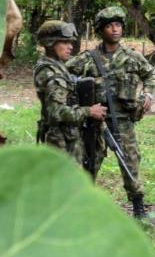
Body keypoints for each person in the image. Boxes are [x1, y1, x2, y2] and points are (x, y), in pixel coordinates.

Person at [66, 6, 155, 218]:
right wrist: (80, 101)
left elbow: (150, 76)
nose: (114, 29)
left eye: (118, 25)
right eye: (109, 26)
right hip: (95, 121)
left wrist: (149, 95)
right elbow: (65, 74)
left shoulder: (132, 57)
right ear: (101, 30)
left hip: (123, 121)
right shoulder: (88, 58)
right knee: (88, 162)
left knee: (130, 162)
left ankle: (138, 207)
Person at [33, 21, 106, 162]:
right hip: (60, 142)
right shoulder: (51, 73)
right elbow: (56, 112)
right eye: (65, 43)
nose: (70, 47)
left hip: (67, 137)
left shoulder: (57, 66)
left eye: (70, 43)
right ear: (50, 43)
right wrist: (89, 111)